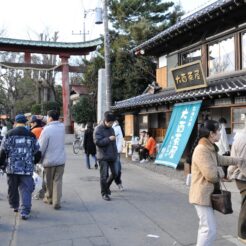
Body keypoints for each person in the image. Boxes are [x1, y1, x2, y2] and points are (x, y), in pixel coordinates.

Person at [189, 120, 246, 246]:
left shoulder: (209, 147)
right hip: (201, 196)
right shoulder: (202, 150)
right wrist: (220, 171)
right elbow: (211, 176)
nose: (220, 133)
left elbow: (221, 159)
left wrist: (238, 160)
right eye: (218, 131)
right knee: (208, 229)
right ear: (211, 134)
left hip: (206, 195)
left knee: (207, 228)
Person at [0, 114, 41, 220]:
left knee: (12, 188)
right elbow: (37, 152)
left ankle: (15, 206)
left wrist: (2, 165)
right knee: (26, 189)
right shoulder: (31, 135)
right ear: (25, 123)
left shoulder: (9, 134)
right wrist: (33, 162)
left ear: (15, 122)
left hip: (12, 168)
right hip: (26, 169)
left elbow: (3, 151)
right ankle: (25, 211)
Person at [38, 110, 66, 210]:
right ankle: (56, 202)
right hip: (61, 160)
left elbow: (41, 147)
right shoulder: (62, 127)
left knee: (48, 181)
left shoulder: (46, 130)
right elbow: (53, 121)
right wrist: (43, 118)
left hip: (49, 160)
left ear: (49, 118)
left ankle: (49, 198)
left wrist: (39, 159)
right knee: (58, 181)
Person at [228, 118, 246, 243]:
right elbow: (243, 163)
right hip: (242, 175)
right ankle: (242, 234)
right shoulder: (244, 139)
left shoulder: (241, 135)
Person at [94, 111, 118, 201]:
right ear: (106, 121)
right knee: (103, 176)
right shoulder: (98, 129)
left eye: (112, 123)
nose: (111, 124)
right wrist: (108, 139)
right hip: (103, 156)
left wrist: (116, 154)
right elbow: (98, 142)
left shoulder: (112, 129)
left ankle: (106, 187)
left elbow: (114, 143)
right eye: (110, 123)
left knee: (115, 173)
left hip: (112, 155)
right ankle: (104, 193)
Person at [112, 120, 124, 191]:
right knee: (106, 172)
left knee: (118, 170)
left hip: (116, 152)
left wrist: (119, 149)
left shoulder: (118, 128)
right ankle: (106, 187)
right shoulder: (103, 127)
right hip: (107, 153)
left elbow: (120, 140)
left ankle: (118, 183)